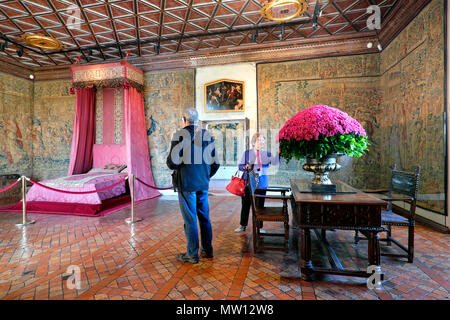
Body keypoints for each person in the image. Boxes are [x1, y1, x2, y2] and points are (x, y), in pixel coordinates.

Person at [167, 108, 220, 264]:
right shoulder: (207, 135)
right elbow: (215, 163)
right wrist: (205, 176)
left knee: (190, 219)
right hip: (202, 183)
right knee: (204, 217)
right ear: (197, 120)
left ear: (184, 119)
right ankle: (207, 250)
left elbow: (172, 163)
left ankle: (192, 254)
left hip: (187, 183)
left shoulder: (180, 135)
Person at [235, 133, 279, 233]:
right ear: (254, 142)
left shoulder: (267, 154)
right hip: (248, 183)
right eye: (259, 140)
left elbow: (275, 162)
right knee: (245, 204)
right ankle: (242, 225)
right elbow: (240, 166)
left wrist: (278, 154)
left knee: (260, 206)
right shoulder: (247, 153)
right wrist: (245, 167)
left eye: (263, 140)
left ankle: (260, 227)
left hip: (262, 184)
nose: (262, 142)